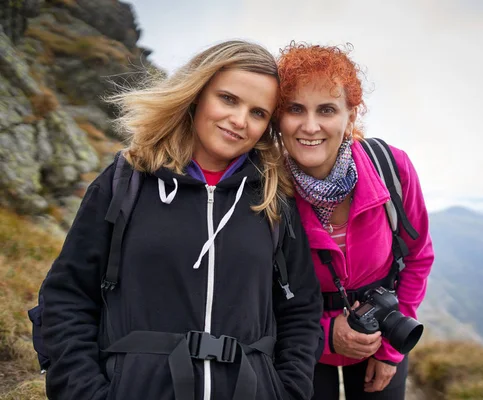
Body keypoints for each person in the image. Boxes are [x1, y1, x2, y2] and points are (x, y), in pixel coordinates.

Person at [41, 40, 323, 400]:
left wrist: (287, 392)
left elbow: (300, 312)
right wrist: (86, 393)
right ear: (197, 95)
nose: (239, 121)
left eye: (258, 113)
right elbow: (66, 297)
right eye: (228, 99)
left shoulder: (273, 199)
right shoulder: (127, 181)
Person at [275, 42, 435, 400]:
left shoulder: (391, 168)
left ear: (351, 115)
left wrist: (392, 351)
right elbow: (255, 293)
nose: (310, 125)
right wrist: (327, 333)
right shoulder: (268, 190)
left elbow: (417, 256)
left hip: (381, 336)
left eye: (327, 109)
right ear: (277, 117)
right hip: (301, 344)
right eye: (295, 108)